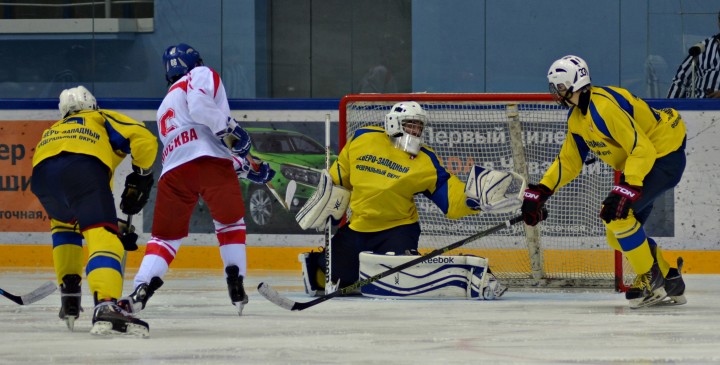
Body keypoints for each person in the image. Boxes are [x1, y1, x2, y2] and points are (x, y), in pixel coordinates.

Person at [297, 101, 523, 299]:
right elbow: (340, 177)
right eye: (410, 124)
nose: (415, 131)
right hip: (359, 227)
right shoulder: (363, 138)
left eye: (419, 126)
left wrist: (474, 200)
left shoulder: (425, 160)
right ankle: (318, 264)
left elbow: (450, 199)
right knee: (337, 274)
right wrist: (327, 197)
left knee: (400, 279)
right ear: (394, 122)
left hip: (398, 229)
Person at [118, 43, 275, 318]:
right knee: (229, 222)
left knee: (165, 238)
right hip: (210, 164)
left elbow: (190, 146)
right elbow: (204, 119)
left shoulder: (165, 103)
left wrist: (245, 167)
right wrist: (232, 131)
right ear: (195, 61)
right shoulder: (200, 74)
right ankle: (235, 280)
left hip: (174, 173)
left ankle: (141, 289)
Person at [523, 55, 688, 308]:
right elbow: (569, 161)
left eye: (560, 87)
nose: (557, 93)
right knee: (614, 231)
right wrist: (543, 190)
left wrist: (628, 186)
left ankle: (649, 276)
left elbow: (642, 148)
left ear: (574, 84)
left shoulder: (604, 108)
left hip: (664, 156)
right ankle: (669, 276)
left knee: (617, 217)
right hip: (646, 161)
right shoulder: (578, 117)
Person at [30, 85, 158, 336]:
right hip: (83, 170)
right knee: (105, 239)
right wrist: (142, 175)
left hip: (42, 177)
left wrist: (115, 223)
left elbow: (80, 211)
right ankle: (107, 304)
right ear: (92, 104)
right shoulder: (100, 117)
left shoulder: (54, 130)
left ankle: (69, 294)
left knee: (65, 227)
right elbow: (144, 138)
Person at [667, 10, 720, 98]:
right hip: (698, 107)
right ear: (718, 22)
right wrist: (668, 107)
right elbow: (680, 79)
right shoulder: (703, 48)